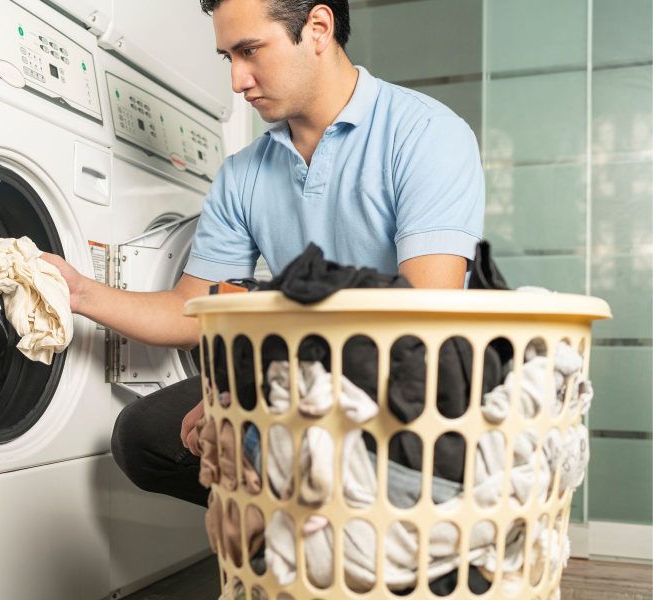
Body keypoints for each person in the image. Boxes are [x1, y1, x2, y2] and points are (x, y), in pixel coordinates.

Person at [42, 0, 484, 507]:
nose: (237, 79)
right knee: (144, 436)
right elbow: (194, 311)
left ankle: (357, 542)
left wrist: (252, 400)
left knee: (282, 431)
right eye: (227, 57)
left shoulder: (425, 133)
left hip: (413, 386)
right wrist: (78, 291)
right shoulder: (244, 173)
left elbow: (422, 316)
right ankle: (297, 540)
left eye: (250, 51)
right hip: (304, 376)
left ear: (317, 28)